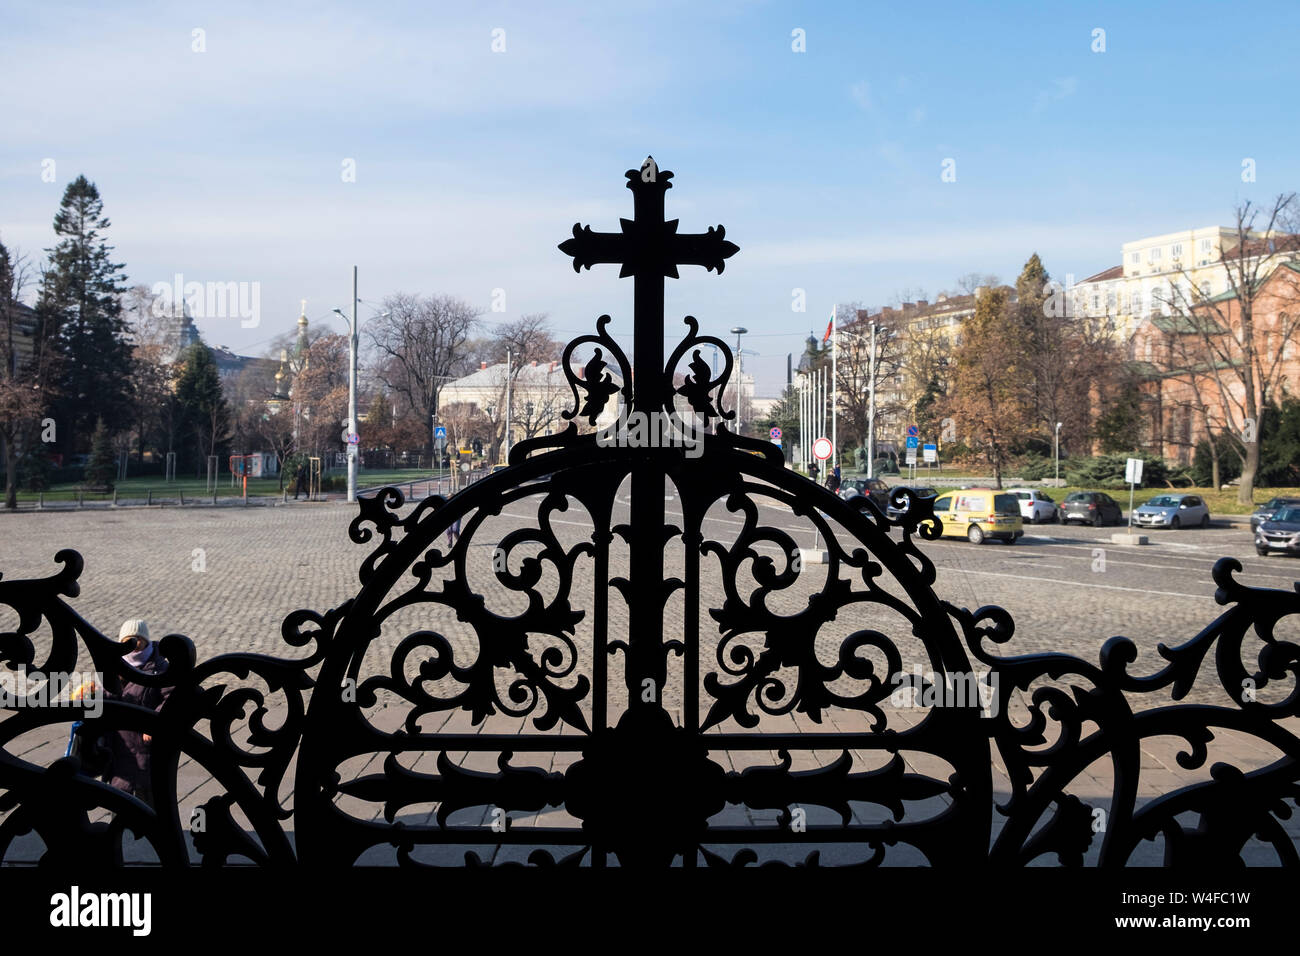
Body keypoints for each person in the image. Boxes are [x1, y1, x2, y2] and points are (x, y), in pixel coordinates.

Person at [100, 620, 173, 808]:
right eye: (127, 639)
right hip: (118, 744)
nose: (133, 643)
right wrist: (92, 694)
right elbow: (106, 699)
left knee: (150, 799)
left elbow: (170, 699)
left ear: (146, 640)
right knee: (118, 798)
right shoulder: (115, 666)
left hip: (144, 746)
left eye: (137, 638)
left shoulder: (159, 667)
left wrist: (154, 724)